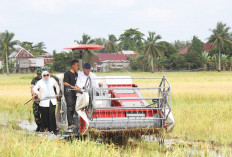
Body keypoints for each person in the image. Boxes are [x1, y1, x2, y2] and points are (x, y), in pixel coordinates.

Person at [63, 60, 81, 131]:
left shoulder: (76, 74)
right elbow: (65, 83)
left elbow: (76, 83)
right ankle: (70, 124)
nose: (77, 67)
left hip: (74, 93)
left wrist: (77, 88)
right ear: (73, 65)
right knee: (70, 107)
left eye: (78, 65)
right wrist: (74, 87)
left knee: (74, 107)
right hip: (69, 93)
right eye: (76, 65)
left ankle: (73, 123)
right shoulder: (67, 73)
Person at [31, 67, 42, 132]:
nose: (39, 75)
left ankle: (43, 126)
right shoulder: (34, 80)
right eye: (38, 74)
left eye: (40, 74)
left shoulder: (44, 80)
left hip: (43, 100)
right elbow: (32, 88)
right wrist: (33, 95)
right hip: (36, 99)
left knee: (44, 114)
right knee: (36, 113)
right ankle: (39, 125)